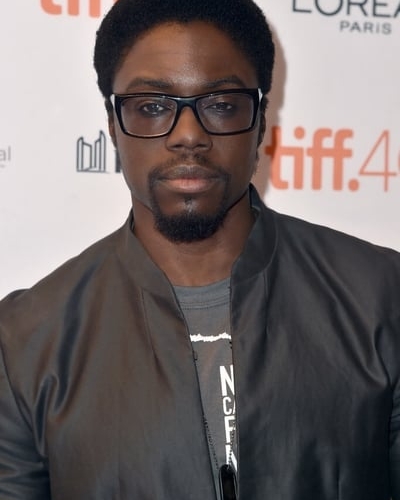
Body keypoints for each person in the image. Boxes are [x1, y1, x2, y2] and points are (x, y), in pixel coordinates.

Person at [0, 0, 399, 498]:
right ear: (113, 124)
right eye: (152, 107)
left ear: (260, 120)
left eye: (221, 105)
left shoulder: (381, 297)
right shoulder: (24, 341)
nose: (188, 136)